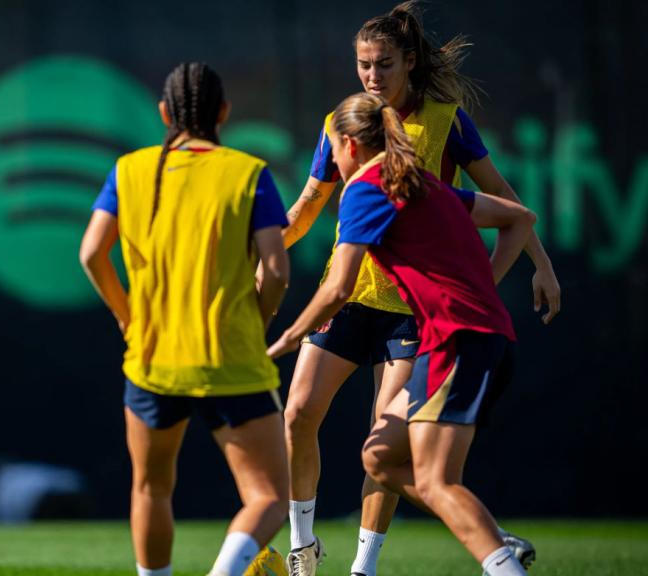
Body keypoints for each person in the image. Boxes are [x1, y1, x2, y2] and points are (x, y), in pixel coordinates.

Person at [276, 3, 555, 574]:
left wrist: (540, 266)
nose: (372, 76)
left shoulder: (443, 121)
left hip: (415, 313)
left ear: (408, 62)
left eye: (383, 64)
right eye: (362, 65)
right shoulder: (345, 123)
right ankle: (303, 547)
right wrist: (266, 249)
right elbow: (307, 205)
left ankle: (364, 567)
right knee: (301, 411)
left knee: (385, 451)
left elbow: (505, 201)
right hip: (355, 296)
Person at [80, 62, 291, 576]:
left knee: (151, 487)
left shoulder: (129, 169)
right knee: (269, 497)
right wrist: (256, 320)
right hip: (231, 360)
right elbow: (278, 268)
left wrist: (128, 318)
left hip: (153, 362)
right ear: (223, 112)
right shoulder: (247, 172)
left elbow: (91, 254)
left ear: (164, 113)